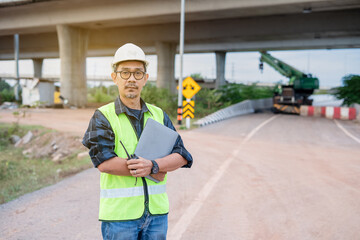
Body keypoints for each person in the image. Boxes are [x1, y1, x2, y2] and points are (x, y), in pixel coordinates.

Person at [82, 43, 193, 240]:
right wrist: (153, 170)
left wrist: (154, 165)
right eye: (125, 73)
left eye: (138, 73)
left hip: (157, 216)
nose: (131, 79)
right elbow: (104, 162)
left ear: (145, 79)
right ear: (114, 77)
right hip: (120, 218)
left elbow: (182, 155)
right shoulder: (103, 116)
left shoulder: (158, 114)